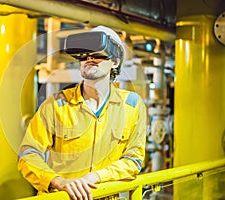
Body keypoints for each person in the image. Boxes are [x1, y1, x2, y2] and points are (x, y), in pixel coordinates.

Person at [18, 25, 146, 200]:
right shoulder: (55, 104)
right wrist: (58, 181)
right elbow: (28, 154)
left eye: (98, 54)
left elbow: (134, 160)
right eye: (84, 54)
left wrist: (96, 177)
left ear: (115, 62)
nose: (90, 58)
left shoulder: (132, 105)